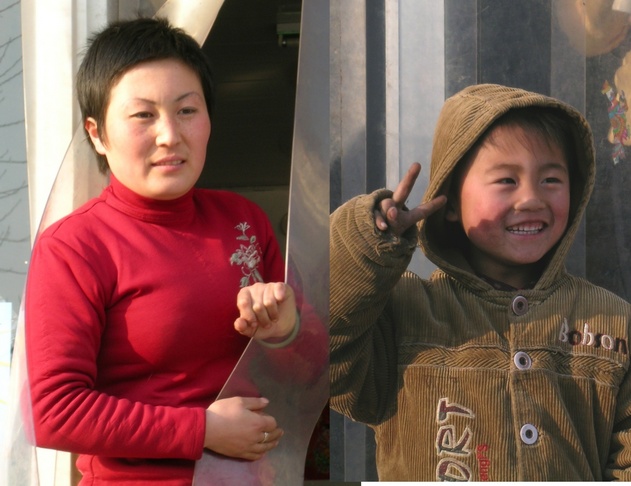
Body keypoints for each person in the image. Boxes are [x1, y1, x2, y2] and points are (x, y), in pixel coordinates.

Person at [25, 17, 299, 485]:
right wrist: (203, 429)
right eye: (143, 115)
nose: (170, 135)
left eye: (187, 110)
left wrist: (286, 330)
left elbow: (303, 378)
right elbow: (55, 411)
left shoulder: (244, 222)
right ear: (96, 133)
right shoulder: (75, 246)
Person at [329, 83, 631, 481]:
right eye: (507, 180)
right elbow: (327, 341)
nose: (532, 199)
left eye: (551, 180)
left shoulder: (612, 321)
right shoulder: (404, 311)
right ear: (449, 202)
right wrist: (372, 236)